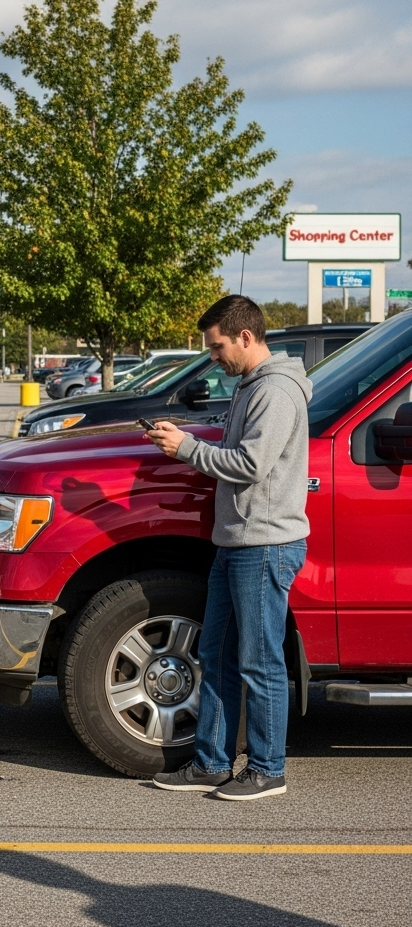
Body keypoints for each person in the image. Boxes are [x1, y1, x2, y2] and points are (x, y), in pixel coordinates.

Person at [146, 295, 311, 800]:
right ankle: (212, 763)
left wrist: (186, 449)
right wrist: (189, 439)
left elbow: (250, 464)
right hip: (237, 542)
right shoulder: (251, 386)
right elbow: (235, 449)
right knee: (216, 654)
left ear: (244, 336)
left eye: (217, 347)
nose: (213, 357)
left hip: (263, 544)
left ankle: (267, 770)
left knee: (260, 662)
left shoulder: (275, 390)